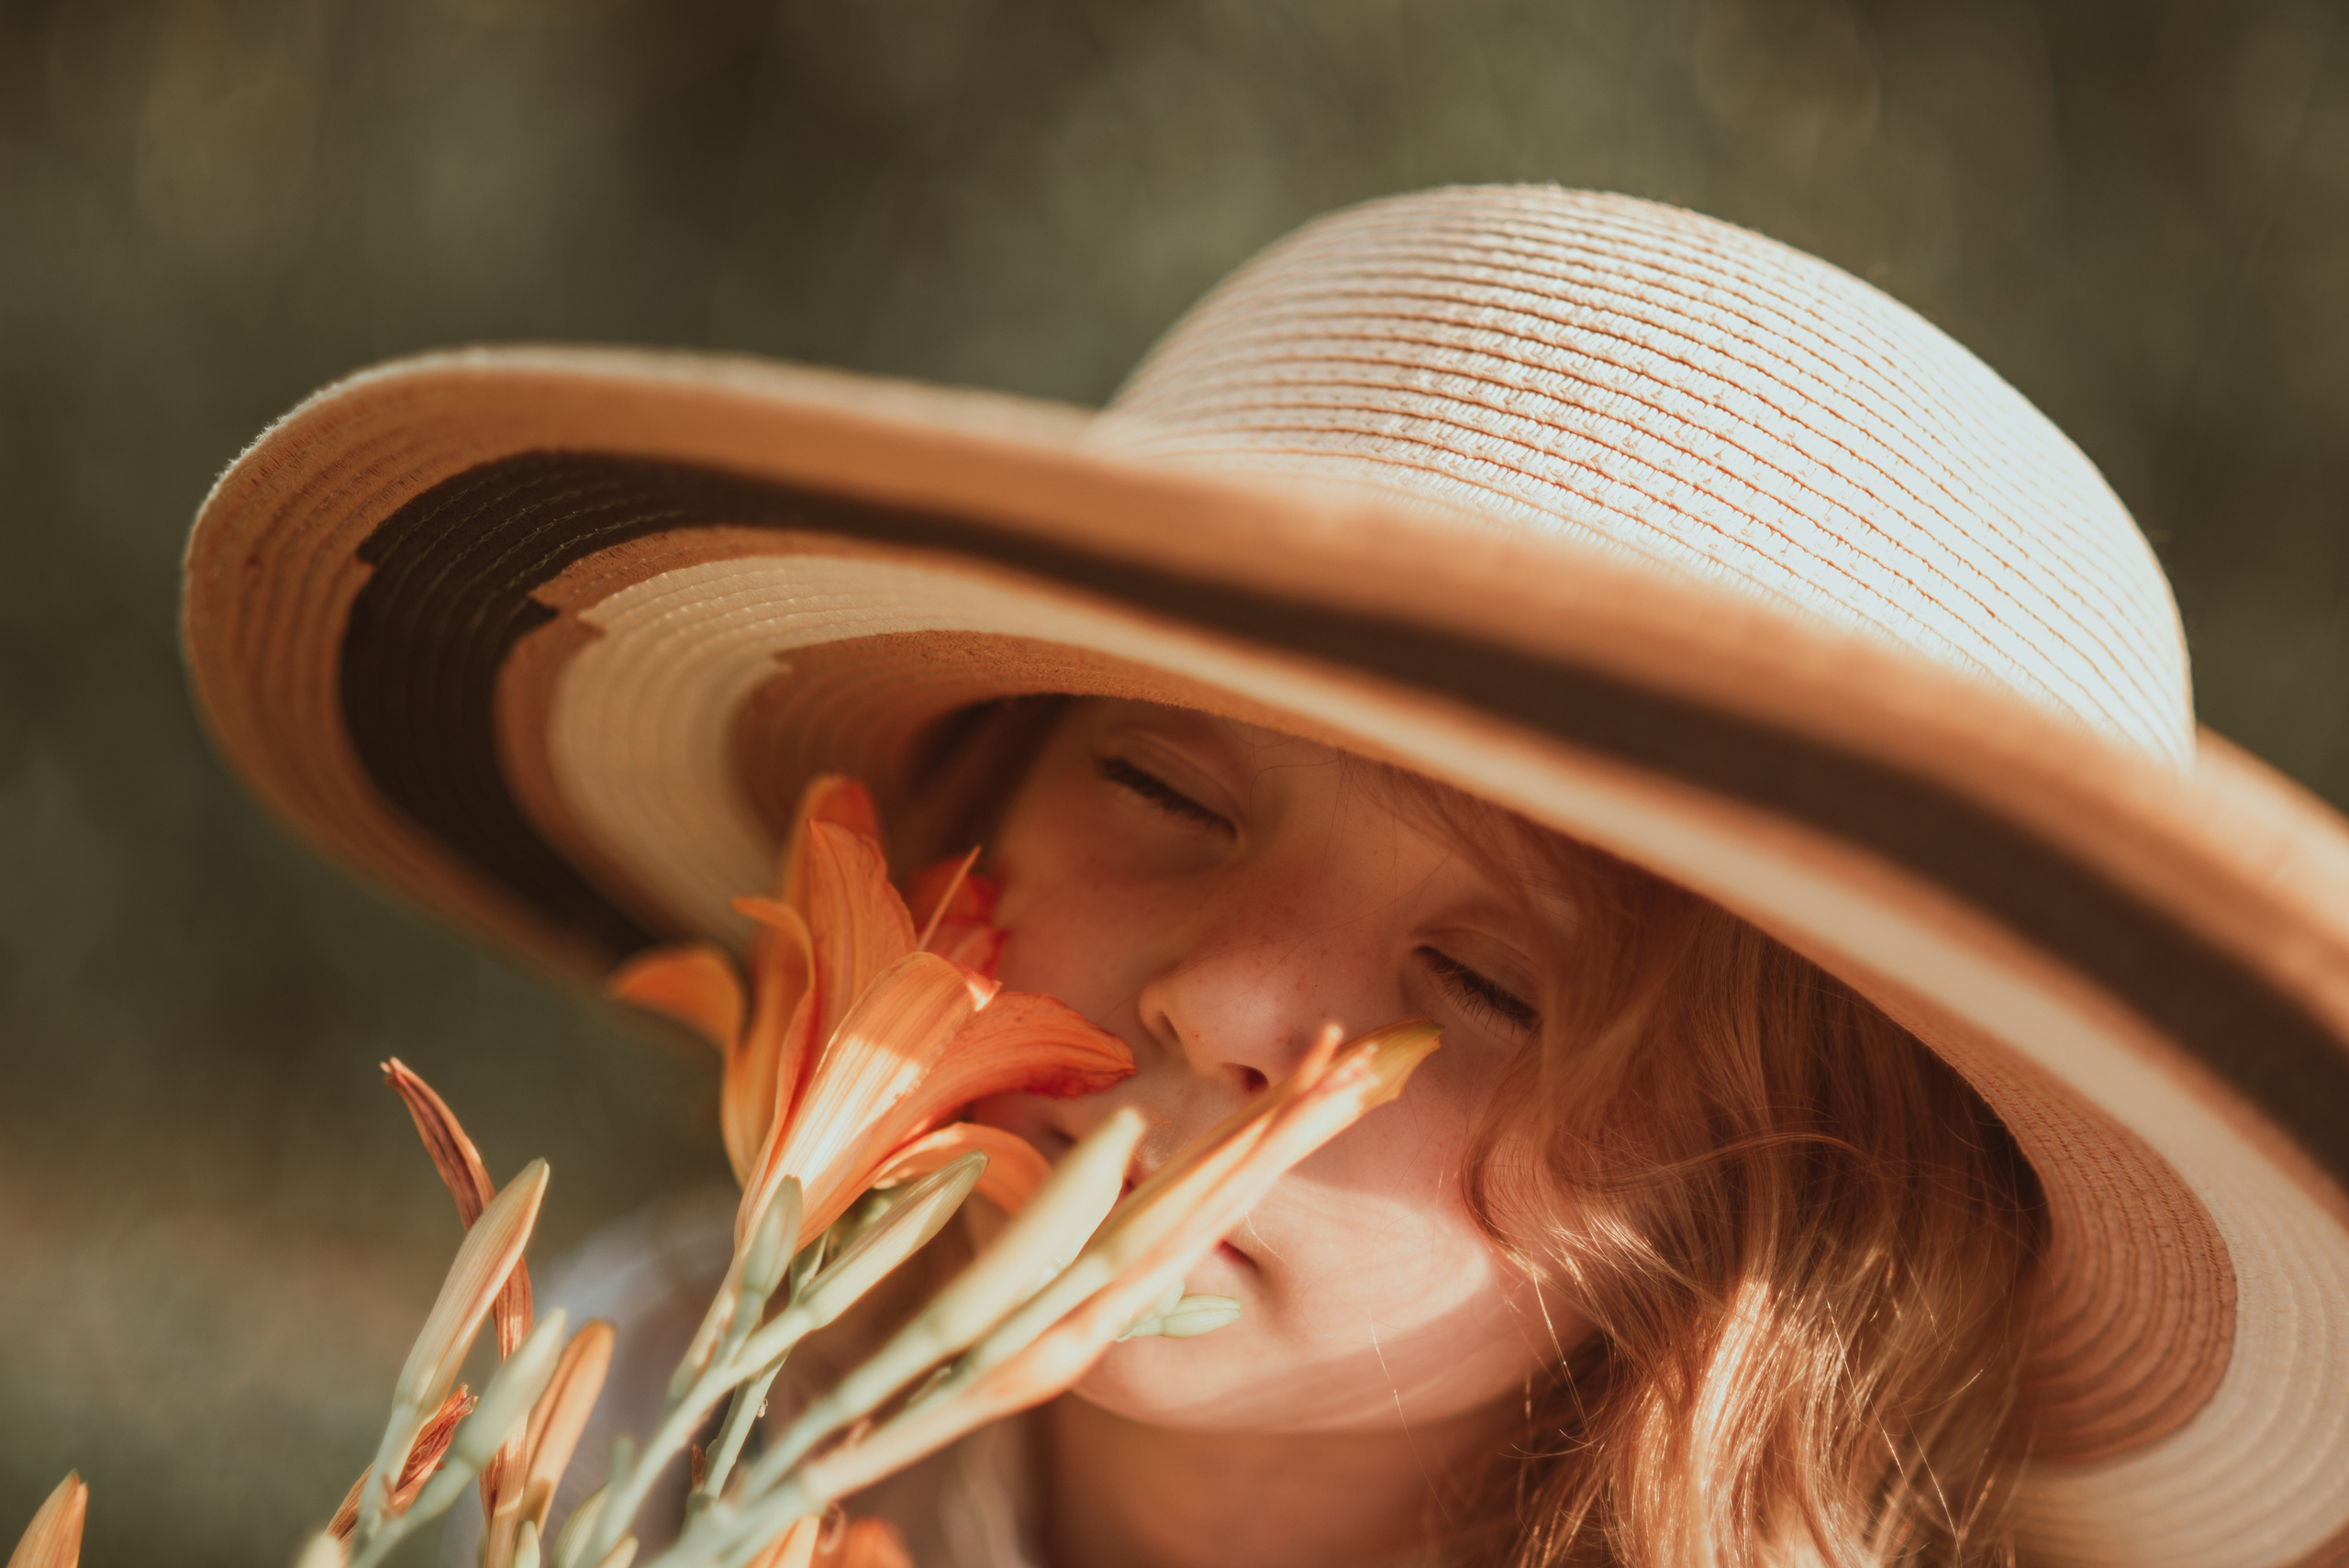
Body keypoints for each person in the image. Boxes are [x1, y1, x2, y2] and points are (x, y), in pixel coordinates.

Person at [182, 186, 2349, 1568]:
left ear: (1742, 1216)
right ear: (962, 815)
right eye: (1167, 793)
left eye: (1484, 991)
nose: (1227, 1008)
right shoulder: (625, 1409)